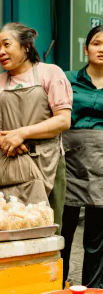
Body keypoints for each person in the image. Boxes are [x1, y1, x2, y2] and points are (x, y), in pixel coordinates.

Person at [0, 22, 73, 233]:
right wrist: (6, 141)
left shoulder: (50, 73)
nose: (1, 52)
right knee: (6, 229)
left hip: (47, 161)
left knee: (47, 231)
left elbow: (63, 120)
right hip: (8, 162)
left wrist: (21, 134)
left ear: (25, 46)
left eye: (6, 44)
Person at [61, 25, 103, 289]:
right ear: (86, 48)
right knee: (62, 231)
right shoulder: (66, 79)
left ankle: (93, 288)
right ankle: (56, 284)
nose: (102, 49)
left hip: (102, 163)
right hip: (68, 160)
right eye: (97, 43)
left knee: (97, 236)